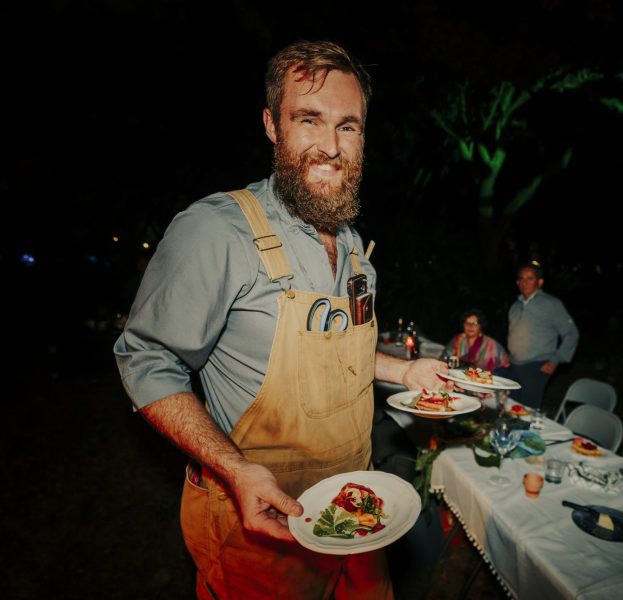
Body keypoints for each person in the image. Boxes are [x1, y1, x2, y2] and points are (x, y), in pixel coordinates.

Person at [114, 40, 448, 599]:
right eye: (309, 120)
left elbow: (338, 354)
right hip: (261, 532)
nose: (331, 146)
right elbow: (146, 360)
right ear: (272, 125)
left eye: (348, 126)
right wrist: (234, 468)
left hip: (356, 517)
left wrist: (405, 372)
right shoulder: (217, 231)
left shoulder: (356, 250)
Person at [506, 261, 579, 408]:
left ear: (540, 282)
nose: (525, 282)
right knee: (510, 405)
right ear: (517, 282)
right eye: (521, 279)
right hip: (514, 365)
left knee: (526, 409)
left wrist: (555, 360)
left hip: (537, 365)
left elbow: (571, 334)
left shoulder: (551, 304)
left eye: (530, 278)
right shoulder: (515, 306)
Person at [443, 308, 510, 372]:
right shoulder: (457, 340)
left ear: (481, 326)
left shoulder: (492, 345)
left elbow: (506, 366)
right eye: (467, 323)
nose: (470, 326)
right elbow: (444, 358)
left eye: (474, 323)